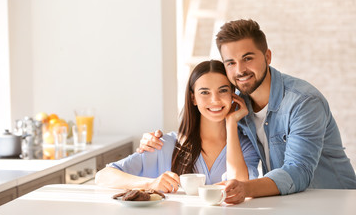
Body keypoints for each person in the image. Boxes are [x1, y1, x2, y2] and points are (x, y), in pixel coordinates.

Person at [137, 19, 356, 204]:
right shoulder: (239, 107)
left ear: (267, 57)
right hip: (290, 203)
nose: (240, 70)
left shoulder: (303, 102)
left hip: (335, 202)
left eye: (247, 58)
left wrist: (246, 188)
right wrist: (152, 141)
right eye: (230, 63)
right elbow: (204, 126)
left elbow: (298, 171)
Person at [95, 60, 258, 195]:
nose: (215, 100)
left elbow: (240, 189)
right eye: (205, 92)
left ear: (233, 95)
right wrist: (151, 183)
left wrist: (231, 123)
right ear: (193, 98)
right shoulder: (165, 144)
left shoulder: (245, 147)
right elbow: (103, 176)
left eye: (223, 90)